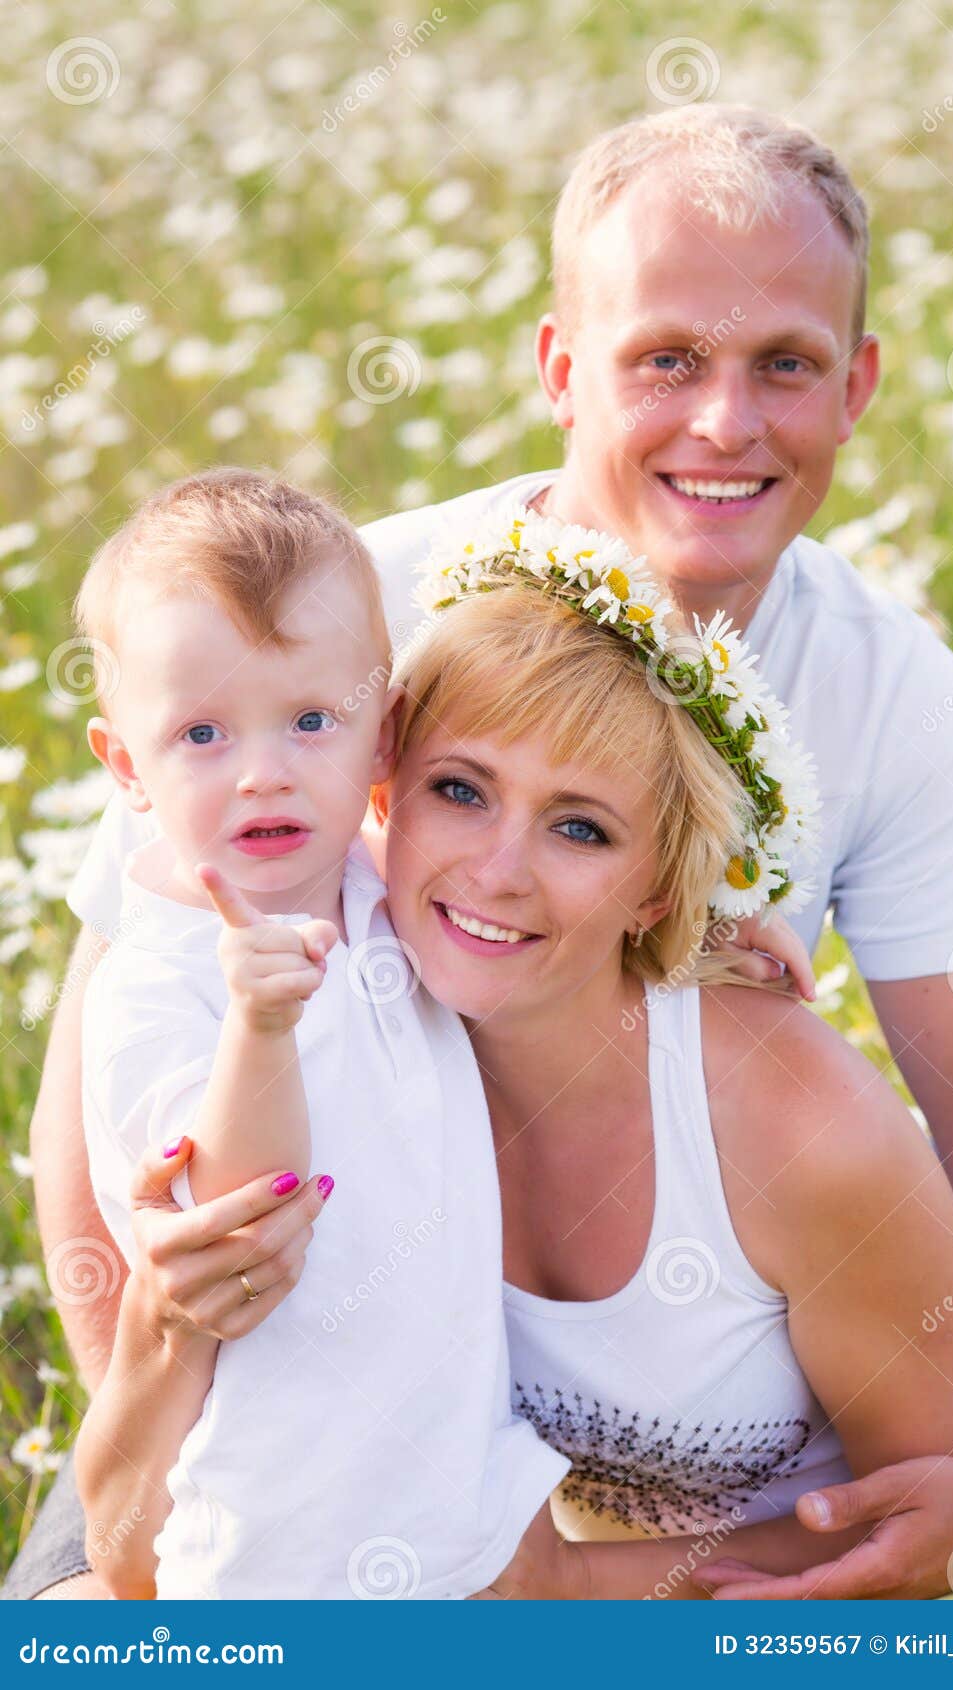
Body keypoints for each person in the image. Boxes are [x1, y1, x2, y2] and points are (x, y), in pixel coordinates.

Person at [8, 103, 953, 1601]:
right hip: (278, 1430)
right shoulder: (329, 619)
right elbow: (101, 1066)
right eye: (662, 360)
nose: (722, 422)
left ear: (857, 388)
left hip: (658, 1450)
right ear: (557, 368)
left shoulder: (896, 703)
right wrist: (155, 1436)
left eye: (782, 363)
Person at [71, 512, 953, 1601]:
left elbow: (930, 1544)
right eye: (458, 790)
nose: (494, 873)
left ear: (657, 882)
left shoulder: (808, 1138)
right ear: (387, 787)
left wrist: (558, 1586)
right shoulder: (349, 966)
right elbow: (132, 1537)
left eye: (582, 830)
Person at [66, 467, 583, 1600]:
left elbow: (523, 925)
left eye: (311, 720)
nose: (264, 770)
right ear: (126, 767)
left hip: (460, 1502)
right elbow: (247, 1223)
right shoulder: (157, 984)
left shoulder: (362, 880)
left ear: (382, 732)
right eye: (201, 732)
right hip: (286, 1547)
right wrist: (260, 1021)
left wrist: (694, 938)